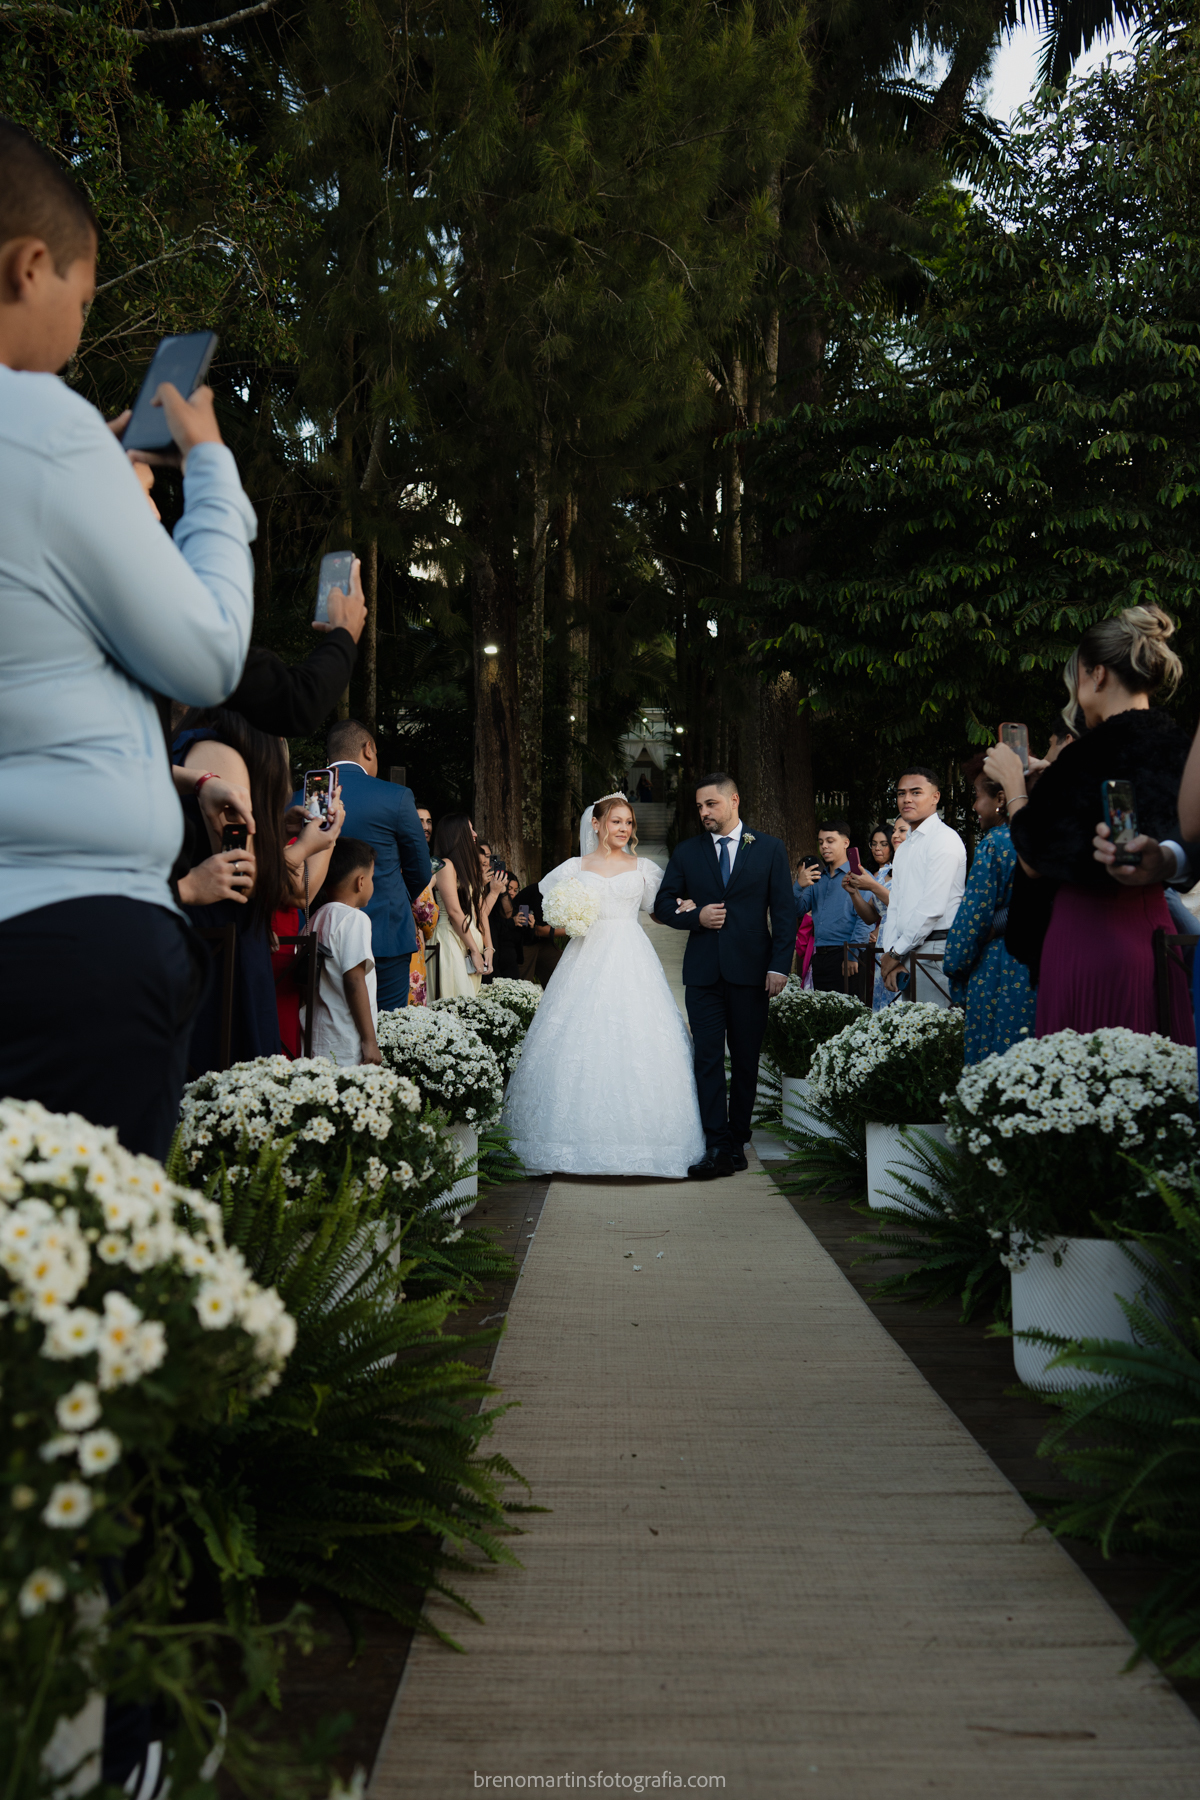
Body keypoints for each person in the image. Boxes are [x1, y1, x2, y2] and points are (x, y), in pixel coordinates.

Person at [0, 122, 255, 1160]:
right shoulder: (45, 427)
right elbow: (205, 656)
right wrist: (211, 482)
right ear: (28, 267)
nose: (80, 318)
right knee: (80, 1281)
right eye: (84, 293)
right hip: (69, 935)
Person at [992, 605, 1193, 1042]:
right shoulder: (1181, 746)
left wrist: (1014, 787)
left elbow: (1034, 857)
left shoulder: (1086, 754)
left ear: (1097, 674)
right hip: (1158, 935)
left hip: (1088, 937)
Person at [502, 794, 706, 1177]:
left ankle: (649, 1144)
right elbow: (554, 914)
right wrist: (566, 923)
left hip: (632, 954)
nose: (624, 828)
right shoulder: (574, 868)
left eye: (628, 822)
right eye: (616, 821)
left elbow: (657, 912)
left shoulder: (644, 867)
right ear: (596, 825)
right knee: (579, 1038)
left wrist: (684, 908)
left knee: (638, 1037)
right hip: (585, 955)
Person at [653, 773, 797, 1178]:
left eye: (710, 804)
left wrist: (777, 966)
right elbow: (663, 904)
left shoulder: (769, 848)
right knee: (708, 1058)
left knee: (747, 1060)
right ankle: (715, 1144)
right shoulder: (687, 851)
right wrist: (695, 917)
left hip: (753, 973)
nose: (703, 813)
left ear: (734, 800)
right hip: (703, 974)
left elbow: (784, 913)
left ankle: (737, 1141)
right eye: (699, 807)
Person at [175, 709, 296, 1072]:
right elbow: (243, 877)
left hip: (199, 931)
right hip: (219, 938)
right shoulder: (220, 754)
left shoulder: (186, 747)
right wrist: (308, 845)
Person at [303, 717, 431, 1013]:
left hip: (318, 935)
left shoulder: (301, 798)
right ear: (369, 749)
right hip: (384, 935)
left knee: (321, 1027)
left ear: (327, 759)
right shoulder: (396, 797)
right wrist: (392, 897)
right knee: (384, 1032)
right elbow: (420, 869)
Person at [943, 755, 1037, 1062]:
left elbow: (972, 920)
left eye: (976, 797)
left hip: (1000, 969)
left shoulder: (995, 845)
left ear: (1000, 799)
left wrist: (955, 964)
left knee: (994, 1065)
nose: (973, 806)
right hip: (1039, 964)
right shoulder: (1044, 838)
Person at [878, 770, 966, 1006]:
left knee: (937, 1034)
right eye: (901, 793)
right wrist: (892, 954)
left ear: (935, 797)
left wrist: (895, 954)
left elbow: (932, 909)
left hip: (936, 950)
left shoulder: (944, 839)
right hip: (907, 951)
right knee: (912, 1035)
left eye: (916, 792)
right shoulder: (905, 848)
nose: (907, 799)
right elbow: (894, 906)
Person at [305, 838, 382, 1066]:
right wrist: (370, 1041)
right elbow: (354, 979)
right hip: (346, 1041)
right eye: (372, 878)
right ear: (360, 882)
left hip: (318, 1036)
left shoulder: (315, 918)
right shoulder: (354, 919)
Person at [792, 820, 873, 992]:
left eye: (830, 841)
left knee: (849, 1014)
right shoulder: (817, 878)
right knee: (824, 1015)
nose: (824, 847)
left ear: (846, 843)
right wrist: (799, 885)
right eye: (821, 842)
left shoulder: (858, 875)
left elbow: (865, 918)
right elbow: (796, 910)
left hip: (847, 954)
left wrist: (852, 953)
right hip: (819, 955)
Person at [431, 815, 492, 996]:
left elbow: (480, 911)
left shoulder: (468, 868)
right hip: (450, 938)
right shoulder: (442, 863)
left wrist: (488, 947)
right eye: (470, 829)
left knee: (468, 1001)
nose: (474, 834)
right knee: (457, 1000)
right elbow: (454, 911)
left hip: (468, 941)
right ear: (457, 834)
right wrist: (474, 950)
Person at [407, 803, 439, 1006]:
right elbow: (425, 914)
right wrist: (430, 884)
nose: (426, 827)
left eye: (429, 821)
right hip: (409, 935)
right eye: (419, 821)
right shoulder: (413, 857)